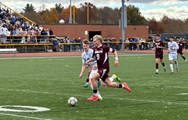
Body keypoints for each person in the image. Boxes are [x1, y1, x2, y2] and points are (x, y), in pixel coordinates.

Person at [86, 35, 131, 101]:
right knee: (109, 84)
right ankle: (123, 85)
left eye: (94, 41)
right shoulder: (94, 49)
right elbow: (94, 58)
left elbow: (114, 51)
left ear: (99, 41)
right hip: (100, 69)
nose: (93, 42)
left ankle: (95, 95)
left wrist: (116, 59)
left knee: (92, 78)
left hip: (104, 68)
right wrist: (89, 60)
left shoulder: (104, 47)